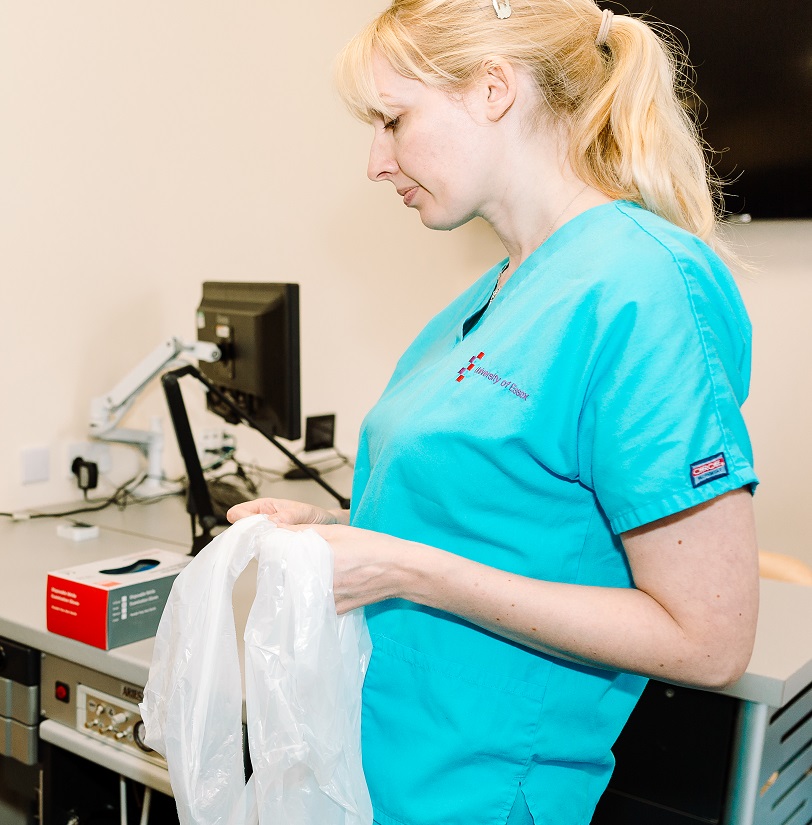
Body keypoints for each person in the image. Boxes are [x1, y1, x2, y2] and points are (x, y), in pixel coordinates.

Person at [228, 2, 759, 823]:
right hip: (376, 766)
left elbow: (710, 639)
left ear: (494, 89)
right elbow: (493, 514)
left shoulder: (642, 287)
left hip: (482, 791)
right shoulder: (494, 293)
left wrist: (407, 569)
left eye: (393, 120)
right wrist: (334, 529)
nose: (376, 161)